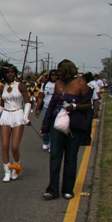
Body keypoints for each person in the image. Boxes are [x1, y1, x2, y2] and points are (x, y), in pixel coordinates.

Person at [41, 60, 93, 200]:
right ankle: (52, 189)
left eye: (60, 70)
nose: (58, 73)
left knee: (70, 158)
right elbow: (52, 104)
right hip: (57, 124)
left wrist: (75, 107)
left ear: (68, 70)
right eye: (57, 71)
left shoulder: (80, 84)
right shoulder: (58, 84)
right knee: (55, 157)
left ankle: (68, 189)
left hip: (73, 125)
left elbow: (89, 105)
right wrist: (45, 124)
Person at [0, 64, 30, 182]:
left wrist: (26, 117)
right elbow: (1, 106)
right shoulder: (2, 87)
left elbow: (28, 102)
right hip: (5, 115)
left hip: (18, 114)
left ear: (15, 73)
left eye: (12, 72)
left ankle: (16, 168)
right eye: (8, 72)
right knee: (5, 146)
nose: (10, 74)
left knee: (14, 146)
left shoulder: (21, 85)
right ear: (4, 75)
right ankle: (7, 171)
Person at [35, 70, 58, 151]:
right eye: (52, 75)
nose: (54, 76)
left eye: (55, 75)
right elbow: (41, 97)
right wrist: (37, 108)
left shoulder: (59, 84)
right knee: (45, 126)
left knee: (53, 127)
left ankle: (51, 144)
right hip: (46, 108)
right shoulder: (45, 85)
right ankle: (46, 141)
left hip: (55, 109)